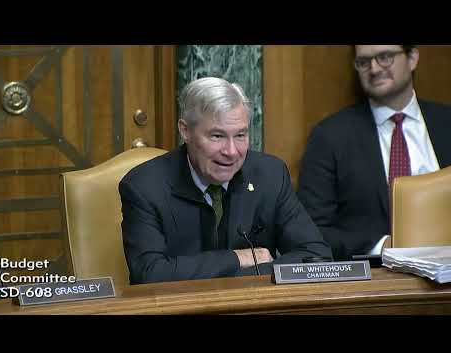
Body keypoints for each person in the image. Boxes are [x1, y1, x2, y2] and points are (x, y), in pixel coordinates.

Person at [119, 77, 332, 284]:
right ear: (185, 131)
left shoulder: (270, 174)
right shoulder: (143, 186)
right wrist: (239, 259)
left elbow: (316, 256)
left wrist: (239, 277)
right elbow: (150, 274)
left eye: (240, 135)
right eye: (217, 136)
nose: (231, 152)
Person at [297, 45, 451, 261]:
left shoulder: (447, 124)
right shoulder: (330, 137)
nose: (375, 68)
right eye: (364, 62)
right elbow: (310, 231)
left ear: (412, 58)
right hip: (373, 282)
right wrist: (384, 246)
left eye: (385, 57)